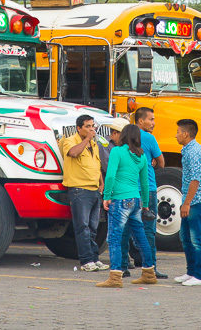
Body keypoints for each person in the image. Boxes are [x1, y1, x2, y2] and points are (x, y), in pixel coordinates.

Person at [96, 123, 155, 288]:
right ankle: (149, 272)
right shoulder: (142, 156)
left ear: (123, 136)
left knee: (114, 237)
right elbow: (144, 183)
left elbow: (110, 176)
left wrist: (106, 196)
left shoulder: (117, 151)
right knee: (140, 237)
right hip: (136, 200)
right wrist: (145, 204)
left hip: (120, 199)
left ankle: (115, 277)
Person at [58, 114, 109, 273]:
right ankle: (86, 260)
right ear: (79, 128)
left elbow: (96, 164)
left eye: (92, 126)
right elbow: (73, 153)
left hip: (94, 190)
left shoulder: (93, 144)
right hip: (79, 189)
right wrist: (86, 139)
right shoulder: (70, 140)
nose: (91, 129)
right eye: (87, 126)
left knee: (93, 228)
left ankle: (94, 258)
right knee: (83, 227)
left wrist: (101, 182)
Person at [175, 118, 201, 286]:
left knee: (197, 238)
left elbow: (194, 180)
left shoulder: (193, 152)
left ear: (186, 134)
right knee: (185, 236)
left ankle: (200, 275)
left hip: (196, 202)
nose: (176, 135)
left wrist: (187, 203)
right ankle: (191, 272)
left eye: (178, 132)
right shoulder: (194, 149)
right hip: (193, 199)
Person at [132, 107, 166, 278]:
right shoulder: (149, 138)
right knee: (149, 229)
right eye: (150, 119)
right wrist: (153, 160)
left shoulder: (127, 137)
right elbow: (161, 162)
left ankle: (124, 265)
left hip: (129, 189)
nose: (153, 123)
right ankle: (150, 266)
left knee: (127, 228)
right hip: (148, 189)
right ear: (140, 121)